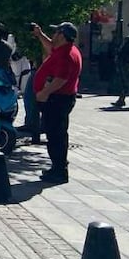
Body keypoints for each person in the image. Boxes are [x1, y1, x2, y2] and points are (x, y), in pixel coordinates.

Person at [30, 21, 83, 184]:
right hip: (58, 99)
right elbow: (50, 47)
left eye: (56, 33)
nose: (53, 35)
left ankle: (59, 171)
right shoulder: (63, 50)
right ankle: (57, 167)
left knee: (56, 136)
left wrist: (44, 93)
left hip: (57, 100)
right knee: (56, 134)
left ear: (62, 36)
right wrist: (40, 35)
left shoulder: (67, 55)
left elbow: (61, 79)